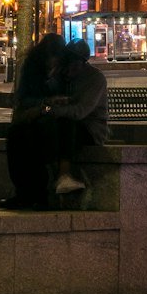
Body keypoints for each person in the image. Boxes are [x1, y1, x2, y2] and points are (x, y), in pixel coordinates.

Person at [0, 33, 68, 209]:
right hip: (34, 114)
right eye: (49, 59)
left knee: (36, 136)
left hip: (54, 120)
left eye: (55, 60)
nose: (52, 64)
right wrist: (44, 103)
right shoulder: (32, 67)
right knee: (15, 135)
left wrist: (48, 104)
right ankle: (24, 192)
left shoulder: (64, 71)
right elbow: (22, 98)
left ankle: (37, 193)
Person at [44, 39, 109, 195]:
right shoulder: (59, 75)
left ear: (82, 62)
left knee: (66, 123)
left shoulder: (95, 78)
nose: (70, 67)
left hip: (90, 129)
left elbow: (80, 112)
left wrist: (49, 110)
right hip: (60, 124)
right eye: (67, 61)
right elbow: (46, 97)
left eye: (74, 63)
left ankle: (63, 175)